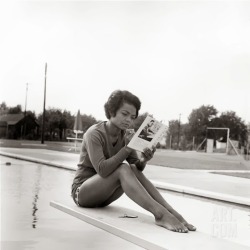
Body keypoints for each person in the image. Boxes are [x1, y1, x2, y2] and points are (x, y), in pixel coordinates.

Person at [71, 90, 196, 233]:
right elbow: (103, 170)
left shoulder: (126, 135)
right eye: (124, 114)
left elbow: (136, 168)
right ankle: (160, 214)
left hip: (105, 196)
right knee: (123, 169)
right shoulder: (94, 133)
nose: (129, 120)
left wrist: (143, 160)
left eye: (132, 117)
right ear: (112, 111)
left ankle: (170, 211)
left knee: (132, 168)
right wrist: (128, 147)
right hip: (83, 193)